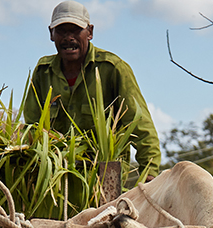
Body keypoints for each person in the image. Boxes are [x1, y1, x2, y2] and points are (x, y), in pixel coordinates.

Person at [23, 1, 161, 179]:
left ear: (90, 32)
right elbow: (32, 127)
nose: (68, 37)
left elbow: (141, 127)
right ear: (51, 34)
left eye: (75, 30)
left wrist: (149, 175)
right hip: (54, 180)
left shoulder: (112, 68)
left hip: (104, 179)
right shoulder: (43, 72)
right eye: (62, 31)